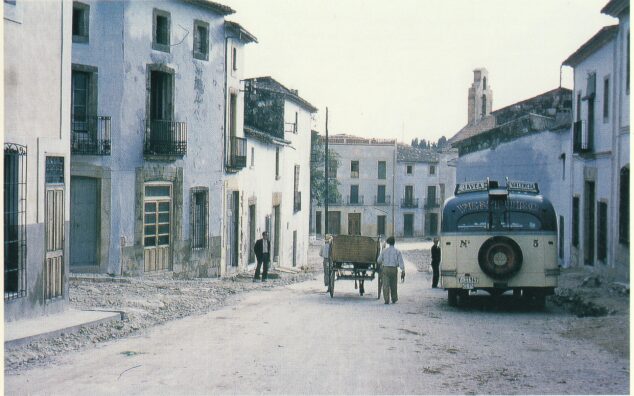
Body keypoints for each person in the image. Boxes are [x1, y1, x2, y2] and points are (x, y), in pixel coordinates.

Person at [376, 236, 405, 304]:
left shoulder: (384, 251)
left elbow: (378, 261)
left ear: (388, 243)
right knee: (393, 284)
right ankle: (394, 298)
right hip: (394, 269)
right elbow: (401, 262)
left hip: (385, 269)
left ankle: (386, 299)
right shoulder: (397, 251)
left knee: (385, 285)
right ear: (394, 243)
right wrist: (403, 270)